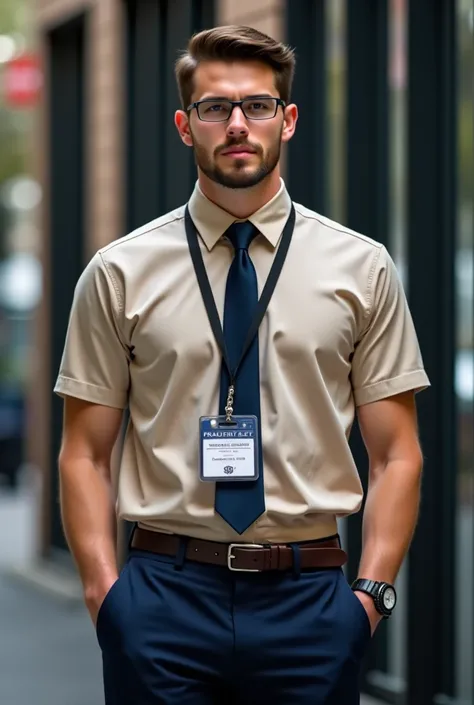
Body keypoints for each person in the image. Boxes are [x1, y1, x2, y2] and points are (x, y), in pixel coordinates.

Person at [55, 25, 430, 705]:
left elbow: (397, 454)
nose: (236, 124)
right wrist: (108, 599)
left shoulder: (361, 266)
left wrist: (368, 598)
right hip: (164, 597)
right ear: (183, 124)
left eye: (257, 106)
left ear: (287, 120)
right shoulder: (118, 273)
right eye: (214, 107)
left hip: (310, 599)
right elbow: (83, 453)